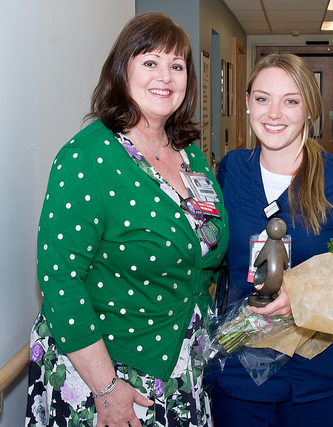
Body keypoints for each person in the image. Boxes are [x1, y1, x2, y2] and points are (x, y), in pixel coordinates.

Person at [25, 12, 228, 427]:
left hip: (178, 362)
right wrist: (107, 389)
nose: (165, 77)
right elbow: (60, 282)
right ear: (123, 71)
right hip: (110, 376)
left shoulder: (187, 151)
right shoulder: (88, 157)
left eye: (177, 66)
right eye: (150, 62)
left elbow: (201, 246)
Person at [212, 53, 333, 426]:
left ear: (310, 108)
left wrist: (309, 296)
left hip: (319, 381)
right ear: (246, 103)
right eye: (262, 98)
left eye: (290, 100)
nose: (274, 113)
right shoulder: (229, 171)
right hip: (238, 377)